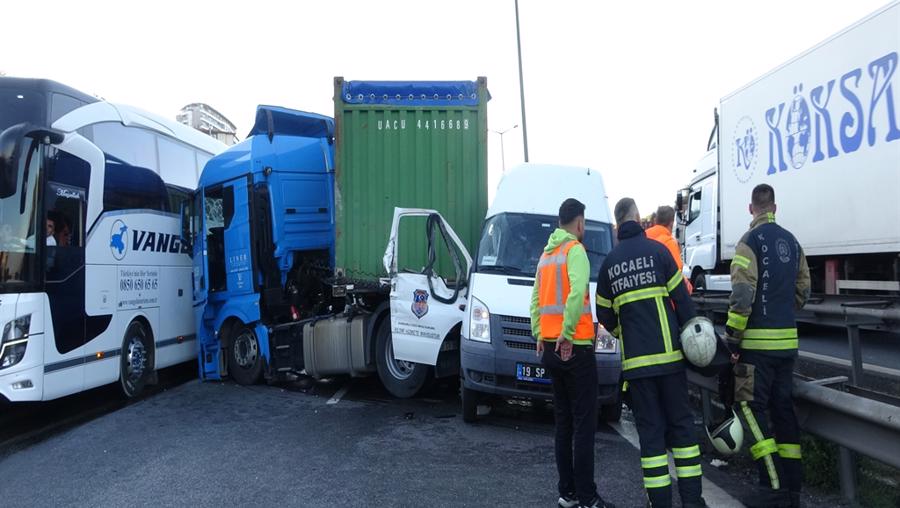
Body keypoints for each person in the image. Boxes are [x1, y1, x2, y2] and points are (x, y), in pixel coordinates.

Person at [596, 198, 706, 508]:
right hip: (671, 362)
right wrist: (697, 342)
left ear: (619, 225)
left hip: (638, 369)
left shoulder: (609, 264)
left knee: (652, 439)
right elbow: (683, 303)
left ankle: (660, 503)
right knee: (683, 433)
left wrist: (622, 332)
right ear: (637, 219)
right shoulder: (659, 253)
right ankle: (692, 502)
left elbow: (603, 314)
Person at [725, 184, 810, 508]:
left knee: (749, 408)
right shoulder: (792, 241)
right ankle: (793, 491)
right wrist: (783, 310)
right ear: (775, 207)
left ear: (752, 209)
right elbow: (804, 289)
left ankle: (771, 487)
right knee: (783, 412)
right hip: (787, 345)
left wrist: (733, 339)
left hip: (757, 348)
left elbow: (743, 295)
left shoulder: (748, 243)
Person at [530, 198, 613, 508]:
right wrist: (566, 334)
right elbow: (578, 293)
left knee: (563, 423)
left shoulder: (546, 255)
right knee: (584, 425)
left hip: (551, 348)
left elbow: (536, 298)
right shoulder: (574, 251)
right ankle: (588, 497)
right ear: (579, 223)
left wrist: (540, 334)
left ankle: (567, 493)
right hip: (574, 347)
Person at [645, 205, 692, 294]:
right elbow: (676, 276)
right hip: (664, 298)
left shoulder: (644, 237)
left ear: (656, 220)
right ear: (671, 223)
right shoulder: (669, 243)